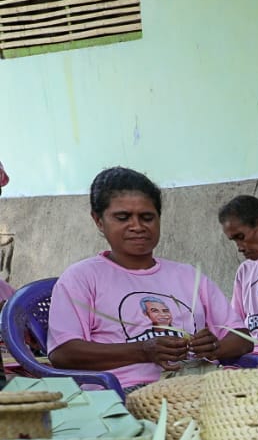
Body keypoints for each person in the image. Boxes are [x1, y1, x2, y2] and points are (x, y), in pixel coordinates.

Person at [47, 167, 241, 390]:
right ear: (99, 220)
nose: (137, 227)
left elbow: (241, 338)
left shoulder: (188, 276)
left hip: (201, 386)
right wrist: (142, 351)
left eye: (147, 217)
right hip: (125, 392)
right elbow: (63, 353)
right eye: (123, 217)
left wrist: (215, 348)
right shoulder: (82, 278)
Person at [217, 194, 258, 356]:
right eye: (234, 241)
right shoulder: (245, 271)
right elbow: (237, 324)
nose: (239, 247)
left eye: (241, 237)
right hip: (255, 357)